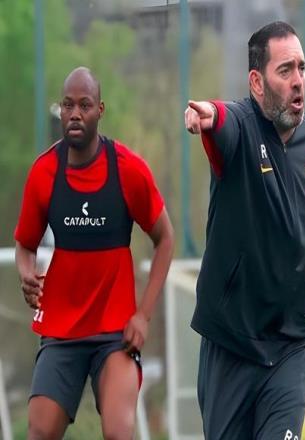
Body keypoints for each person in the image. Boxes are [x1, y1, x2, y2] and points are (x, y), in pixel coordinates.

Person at [184, 21, 305, 439]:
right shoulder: (241, 128)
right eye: (285, 70)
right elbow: (222, 119)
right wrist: (207, 115)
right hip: (231, 345)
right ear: (257, 82)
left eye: (302, 68)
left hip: (290, 345)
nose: (298, 81)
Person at [14, 66, 175, 440]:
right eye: (67, 105)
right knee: (39, 430)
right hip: (61, 329)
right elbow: (25, 244)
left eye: (84, 105)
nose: (75, 113)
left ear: (100, 110)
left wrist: (143, 315)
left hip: (115, 332)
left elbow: (165, 238)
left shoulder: (128, 169)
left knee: (118, 432)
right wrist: (25, 271)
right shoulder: (44, 172)